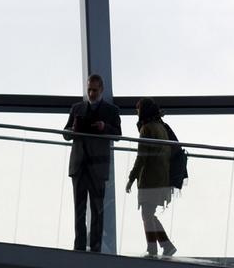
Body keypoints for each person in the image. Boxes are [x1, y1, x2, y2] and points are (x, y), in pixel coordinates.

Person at [64, 74, 122, 253]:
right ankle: (80, 246)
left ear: (101, 89)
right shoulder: (77, 108)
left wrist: (104, 127)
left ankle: (95, 247)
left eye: (94, 90)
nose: (91, 93)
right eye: (89, 89)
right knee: (79, 208)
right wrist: (73, 129)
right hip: (80, 165)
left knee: (97, 208)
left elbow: (118, 135)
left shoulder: (111, 111)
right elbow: (66, 133)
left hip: (97, 167)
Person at [125, 98, 175, 258]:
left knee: (146, 215)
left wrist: (131, 178)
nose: (137, 113)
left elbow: (142, 158)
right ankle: (166, 245)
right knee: (149, 214)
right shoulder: (161, 127)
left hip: (150, 179)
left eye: (138, 110)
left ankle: (153, 248)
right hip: (162, 178)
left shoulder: (146, 129)